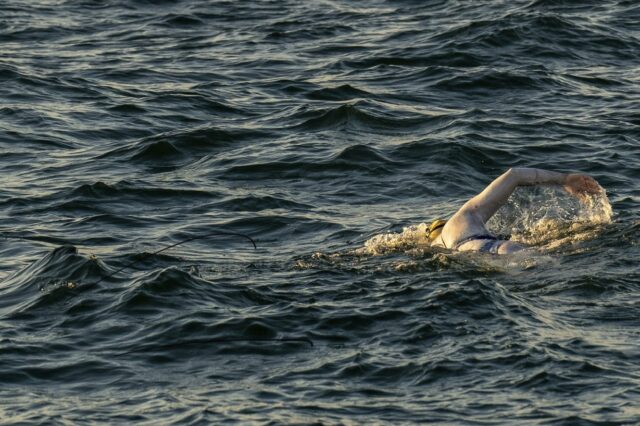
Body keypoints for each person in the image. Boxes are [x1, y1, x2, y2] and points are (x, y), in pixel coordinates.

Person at [427, 168, 603, 254]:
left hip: (489, 259)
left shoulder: (443, 248)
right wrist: (564, 179)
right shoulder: (463, 218)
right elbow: (514, 174)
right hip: (505, 248)